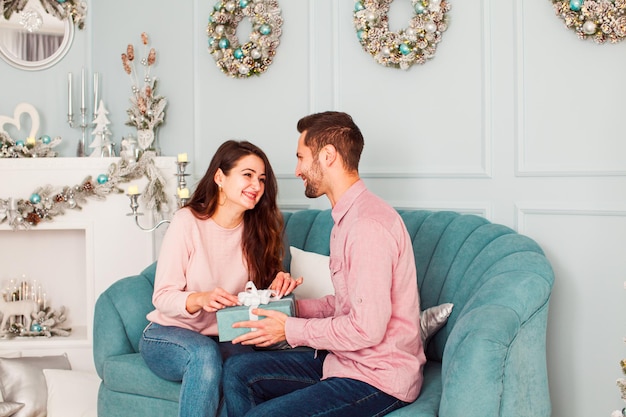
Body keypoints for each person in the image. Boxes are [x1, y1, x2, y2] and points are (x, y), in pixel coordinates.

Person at [222, 111, 426, 417]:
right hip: (344, 360)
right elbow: (348, 303)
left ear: (327, 156)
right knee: (239, 370)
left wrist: (290, 329)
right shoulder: (347, 219)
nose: (297, 170)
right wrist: (289, 309)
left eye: (301, 157)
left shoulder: (367, 226)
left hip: (377, 378)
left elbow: (366, 329)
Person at [139, 140, 301, 417]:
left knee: (246, 368)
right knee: (204, 356)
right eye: (247, 175)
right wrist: (200, 298)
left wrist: (278, 285)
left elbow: (254, 298)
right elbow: (163, 296)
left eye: (261, 179)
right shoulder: (187, 222)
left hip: (227, 336)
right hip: (169, 333)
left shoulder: (260, 229)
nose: (257, 185)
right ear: (219, 177)